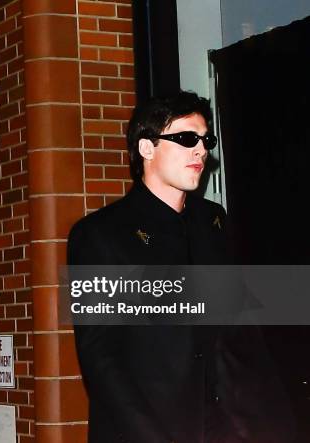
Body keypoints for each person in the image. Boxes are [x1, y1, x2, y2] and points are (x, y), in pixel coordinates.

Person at [67, 91, 292, 442]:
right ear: (146, 148)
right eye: (187, 138)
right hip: (148, 430)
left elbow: (242, 332)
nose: (201, 150)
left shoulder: (213, 221)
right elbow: (102, 360)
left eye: (206, 140)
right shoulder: (99, 234)